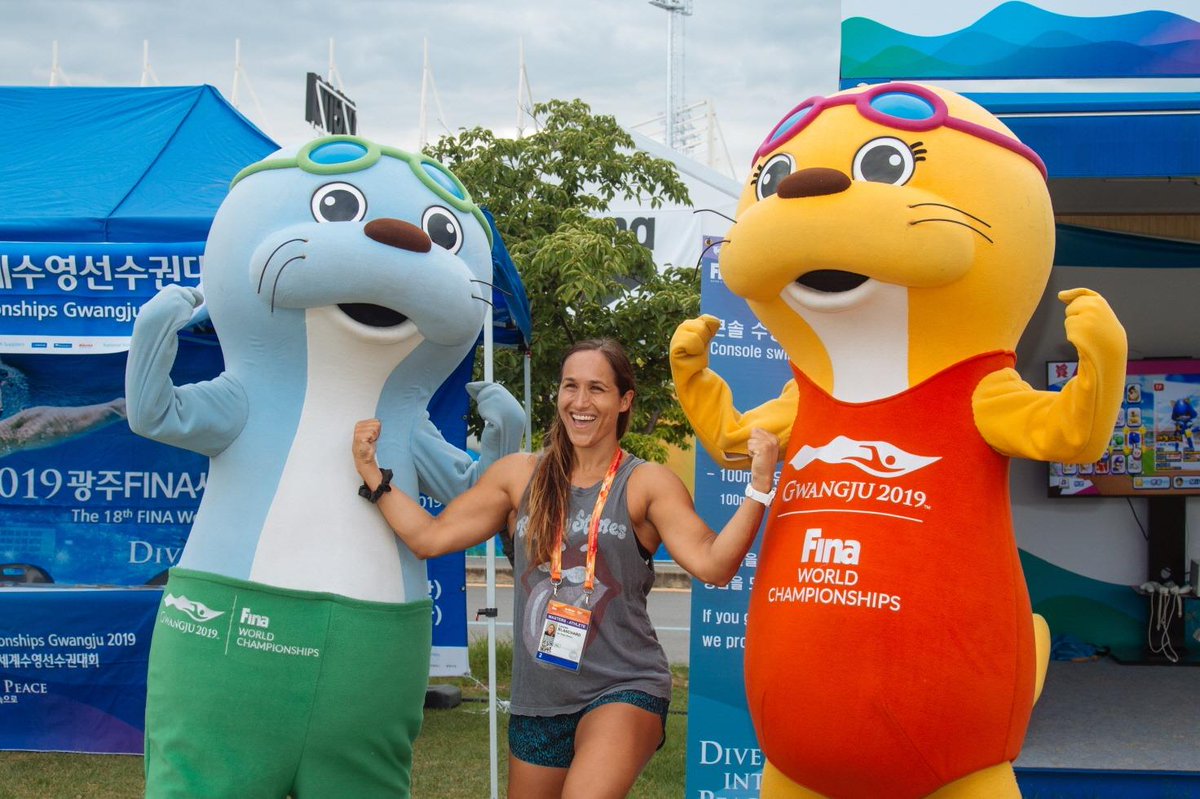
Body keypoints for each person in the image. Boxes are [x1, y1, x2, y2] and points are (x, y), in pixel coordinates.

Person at [352, 338, 779, 799]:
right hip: (539, 699)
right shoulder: (519, 476)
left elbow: (714, 565)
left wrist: (758, 487)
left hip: (624, 684)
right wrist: (373, 474)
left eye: (597, 389)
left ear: (624, 400)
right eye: (570, 387)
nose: (580, 402)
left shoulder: (646, 483)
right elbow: (429, 538)